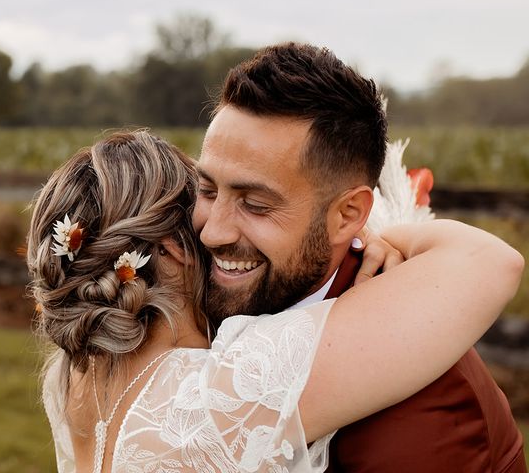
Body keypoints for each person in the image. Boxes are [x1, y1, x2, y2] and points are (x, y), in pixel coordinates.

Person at [30, 129, 523, 473]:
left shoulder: (72, 378)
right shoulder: (219, 394)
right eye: (203, 207)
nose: (218, 232)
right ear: (173, 250)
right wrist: (380, 230)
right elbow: (488, 261)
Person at [193, 42, 527, 472]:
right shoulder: (184, 272)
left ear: (347, 215)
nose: (213, 231)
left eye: (256, 205)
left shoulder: (425, 419)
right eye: (207, 190)